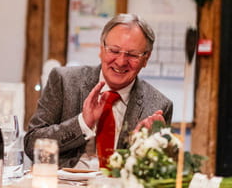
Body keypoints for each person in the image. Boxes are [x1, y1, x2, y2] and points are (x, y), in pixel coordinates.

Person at [24, 13, 173, 169]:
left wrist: (144, 147)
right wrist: (82, 123)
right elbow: (31, 145)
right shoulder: (64, 81)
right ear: (101, 49)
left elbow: (159, 174)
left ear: (146, 59)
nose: (121, 62)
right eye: (114, 51)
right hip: (62, 187)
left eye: (132, 55)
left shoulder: (158, 106)